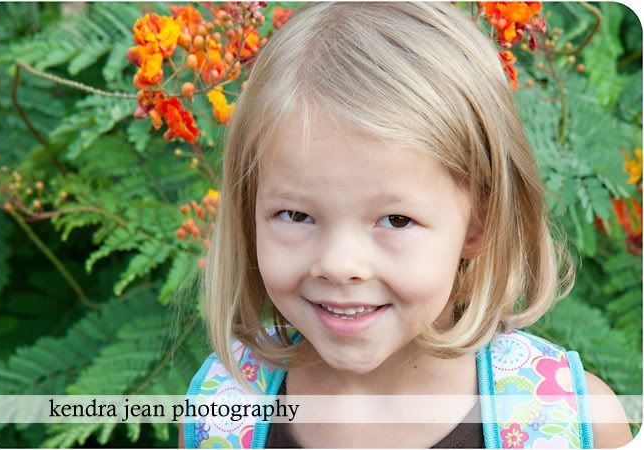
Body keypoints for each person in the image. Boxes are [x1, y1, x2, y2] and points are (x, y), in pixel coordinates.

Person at [179, 2, 633, 448]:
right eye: (296, 215)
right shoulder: (218, 414)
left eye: (396, 220)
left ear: (479, 224)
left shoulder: (572, 424)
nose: (338, 265)